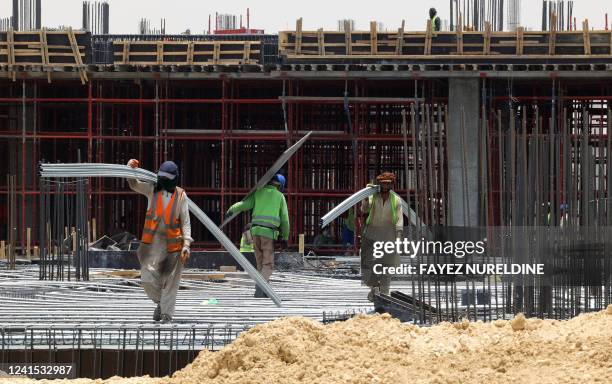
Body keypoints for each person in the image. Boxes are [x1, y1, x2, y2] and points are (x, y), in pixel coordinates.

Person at [127, 159, 193, 323]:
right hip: (152, 246)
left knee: (171, 283)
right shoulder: (152, 189)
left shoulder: (181, 196)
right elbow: (134, 184)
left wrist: (186, 245)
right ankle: (161, 304)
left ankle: (166, 315)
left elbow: (185, 222)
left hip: (174, 246)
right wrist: (130, 169)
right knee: (147, 279)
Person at [226, 174, 289, 297]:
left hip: (255, 232)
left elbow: (244, 204)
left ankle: (263, 291)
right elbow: (285, 220)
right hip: (268, 234)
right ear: (280, 186)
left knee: (260, 264)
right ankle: (260, 287)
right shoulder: (279, 196)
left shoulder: (258, 192)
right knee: (268, 264)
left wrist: (231, 210)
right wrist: (285, 237)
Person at [360, 172, 403, 301]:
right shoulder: (373, 197)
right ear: (379, 184)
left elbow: (399, 221)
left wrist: (398, 240)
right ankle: (374, 289)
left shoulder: (396, 200)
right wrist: (366, 196)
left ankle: (383, 296)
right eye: (383, 183)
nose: (385, 185)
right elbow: (364, 209)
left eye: (388, 183)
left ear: (391, 184)